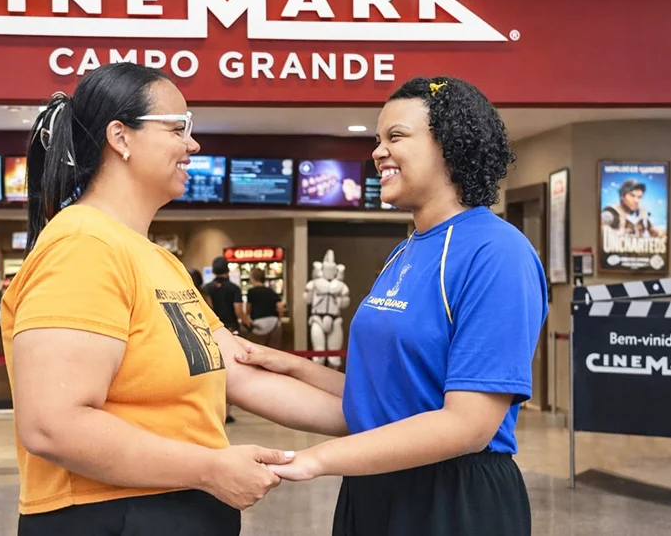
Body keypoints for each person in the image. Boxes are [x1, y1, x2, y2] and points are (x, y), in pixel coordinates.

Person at [0, 63, 345, 536]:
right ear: (121, 138)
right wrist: (210, 468)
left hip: (174, 507)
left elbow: (237, 373)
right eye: (179, 127)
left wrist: (389, 420)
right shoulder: (82, 246)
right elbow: (52, 425)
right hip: (110, 513)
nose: (193, 144)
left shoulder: (157, 260)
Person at [235, 76, 548, 536]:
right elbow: (386, 396)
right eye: (377, 140)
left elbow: (468, 425)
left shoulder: (496, 252)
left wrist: (313, 459)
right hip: (375, 485)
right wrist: (289, 365)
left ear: (450, 145)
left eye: (395, 137)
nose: (378, 152)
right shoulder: (407, 250)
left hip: (452, 498)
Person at [202, 257, 252, 333]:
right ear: (227, 270)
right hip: (231, 326)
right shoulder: (234, 288)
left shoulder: (206, 288)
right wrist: (247, 323)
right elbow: (238, 311)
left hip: (213, 327)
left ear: (213, 271)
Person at [243, 267, 284, 349]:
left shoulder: (251, 292)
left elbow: (248, 310)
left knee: (258, 350)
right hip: (273, 324)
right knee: (273, 351)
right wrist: (279, 318)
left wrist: (247, 318)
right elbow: (280, 306)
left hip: (258, 325)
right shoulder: (271, 291)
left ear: (253, 278)